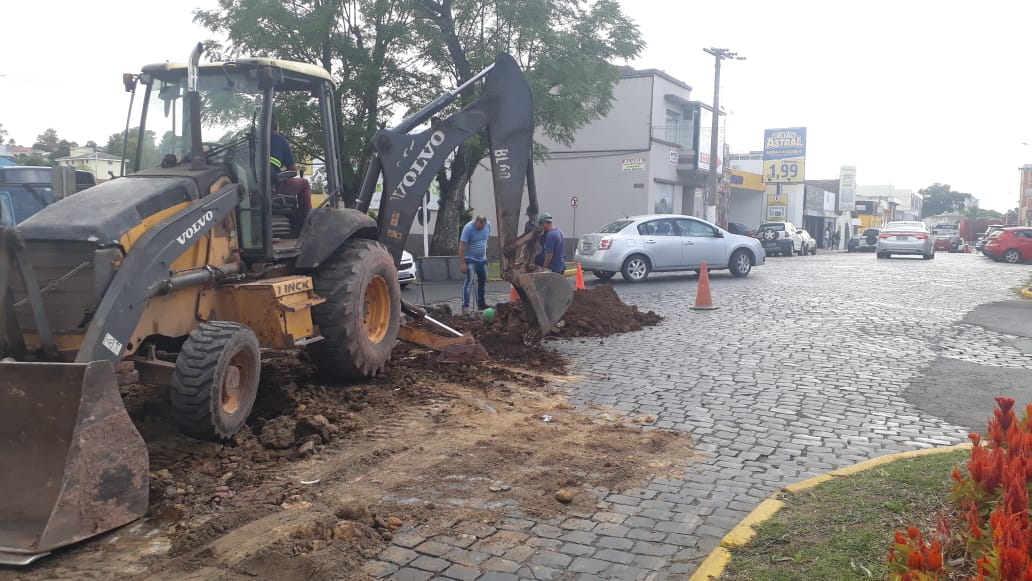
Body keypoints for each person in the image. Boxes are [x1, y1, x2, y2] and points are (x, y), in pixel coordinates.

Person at [270, 116, 312, 232]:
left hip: (252, 187)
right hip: (273, 186)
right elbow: (293, 171)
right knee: (304, 183)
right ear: (276, 127)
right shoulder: (280, 140)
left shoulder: (253, 141)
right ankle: (307, 223)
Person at [459, 215, 491, 314]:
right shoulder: (468, 228)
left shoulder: (488, 225)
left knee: (483, 281)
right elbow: (462, 246)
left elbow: (486, 239)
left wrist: (485, 250)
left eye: (482, 227)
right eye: (479, 227)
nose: (480, 229)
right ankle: (465, 306)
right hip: (470, 259)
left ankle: (481, 304)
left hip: (482, 259)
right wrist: (463, 263)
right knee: (469, 282)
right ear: (476, 222)